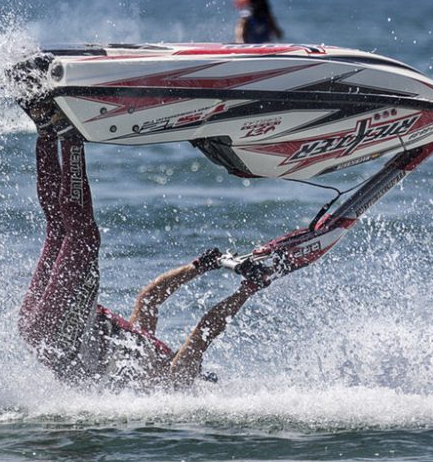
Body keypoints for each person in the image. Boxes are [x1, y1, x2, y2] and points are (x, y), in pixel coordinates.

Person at [19, 103, 266, 388]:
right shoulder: (141, 349)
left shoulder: (174, 382)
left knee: (83, 239)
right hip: (41, 330)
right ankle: (46, 129)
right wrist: (198, 266)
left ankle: (69, 138)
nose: (199, 370)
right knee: (59, 229)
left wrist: (247, 290)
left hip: (62, 334)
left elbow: (204, 333)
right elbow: (149, 298)